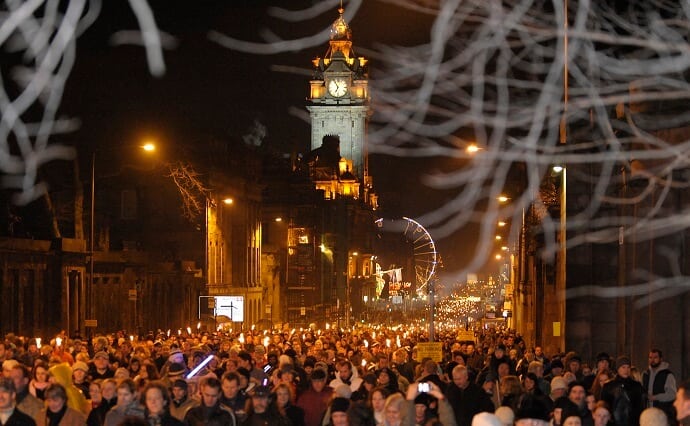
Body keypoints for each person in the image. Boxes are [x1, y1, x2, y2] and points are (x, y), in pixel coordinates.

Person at [600, 356, 644, 426]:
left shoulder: (637, 386)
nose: (626, 370)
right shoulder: (608, 386)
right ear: (618, 369)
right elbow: (603, 407)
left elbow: (641, 408)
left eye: (628, 367)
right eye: (623, 367)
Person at [641, 348, 677, 424]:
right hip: (648, 414)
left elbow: (672, 395)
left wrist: (656, 397)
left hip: (662, 415)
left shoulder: (667, 375)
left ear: (661, 359)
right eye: (650, 357)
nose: (652, 360)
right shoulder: (645, 374)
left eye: (655, 357)